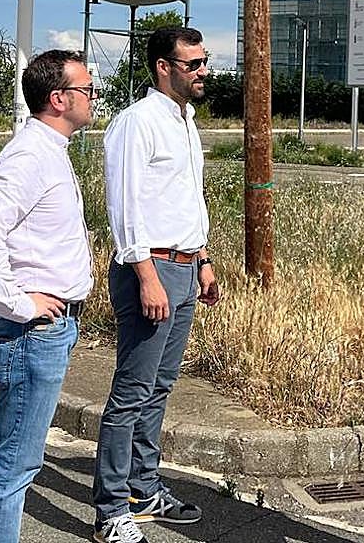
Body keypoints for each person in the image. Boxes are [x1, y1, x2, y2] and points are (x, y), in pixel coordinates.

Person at [91, 26, 221, 543]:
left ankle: (144, 488)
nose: (203, 72)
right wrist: (147, 276)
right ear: (163, 67)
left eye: (204, 62)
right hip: (151, 269)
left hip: (185, 267)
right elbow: (124, 208)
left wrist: (204, 260)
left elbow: (186, 199)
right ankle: (110, 509)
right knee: (132, 390)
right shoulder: (136, 123)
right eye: (193, 64)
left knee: (160, 386)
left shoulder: (186, 122)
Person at [0, 49, 96, 543]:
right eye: (86, 89)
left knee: (20, 458)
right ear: (59, 99)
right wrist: (22, 304)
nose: (93, 97)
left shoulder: (49, 151)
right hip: (32, 332)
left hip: (49, 328)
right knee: (15, 464)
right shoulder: (29, 156)